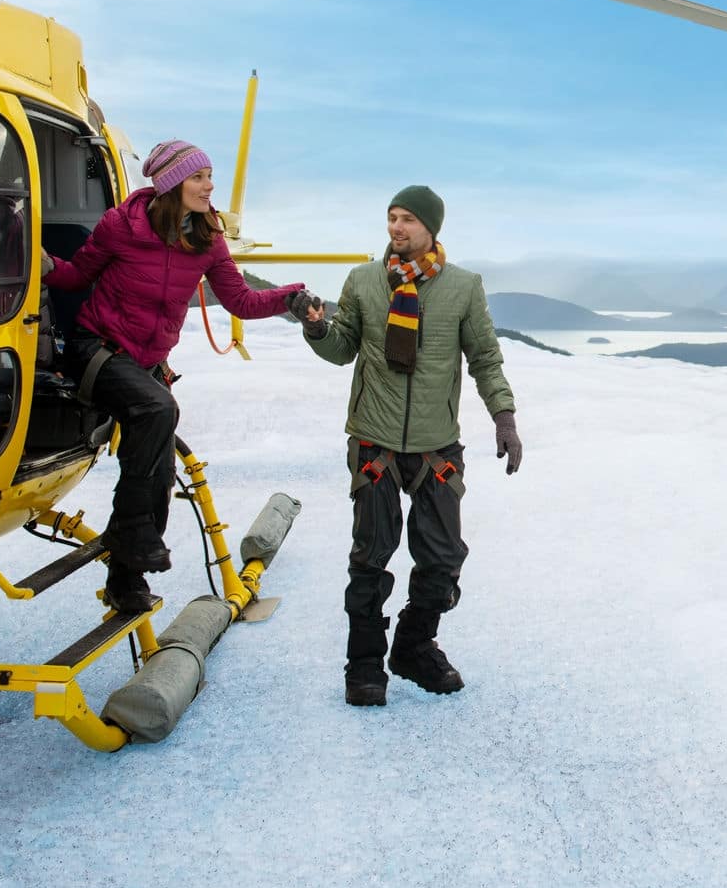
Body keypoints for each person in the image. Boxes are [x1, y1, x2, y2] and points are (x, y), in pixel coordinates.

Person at [43, 139, 318, 615]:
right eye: (199, 177)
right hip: (98, 349)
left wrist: (289, 297)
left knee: (158, 471)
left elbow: (241, 301)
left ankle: (125, 580)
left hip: (147, 365)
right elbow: (76, 276)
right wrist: (39, 263)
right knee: (159, 409)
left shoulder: (206, 240)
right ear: (171, 184)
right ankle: (134, 539)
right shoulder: (120, 226)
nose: (210, 187)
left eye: (210, 176)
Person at [298, 185, 521, 707]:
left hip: (435, 448)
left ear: (431, 230)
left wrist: (504, 418)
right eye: (391, 218)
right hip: (374, 442)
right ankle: (365, 666)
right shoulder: (363, 281)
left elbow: (485, 358)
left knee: (442, 560)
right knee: (370, 559)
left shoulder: (463, 287)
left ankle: (414, 648)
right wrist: (315, 328)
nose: (396, 228)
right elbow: (342, 348)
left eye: (407, 220)